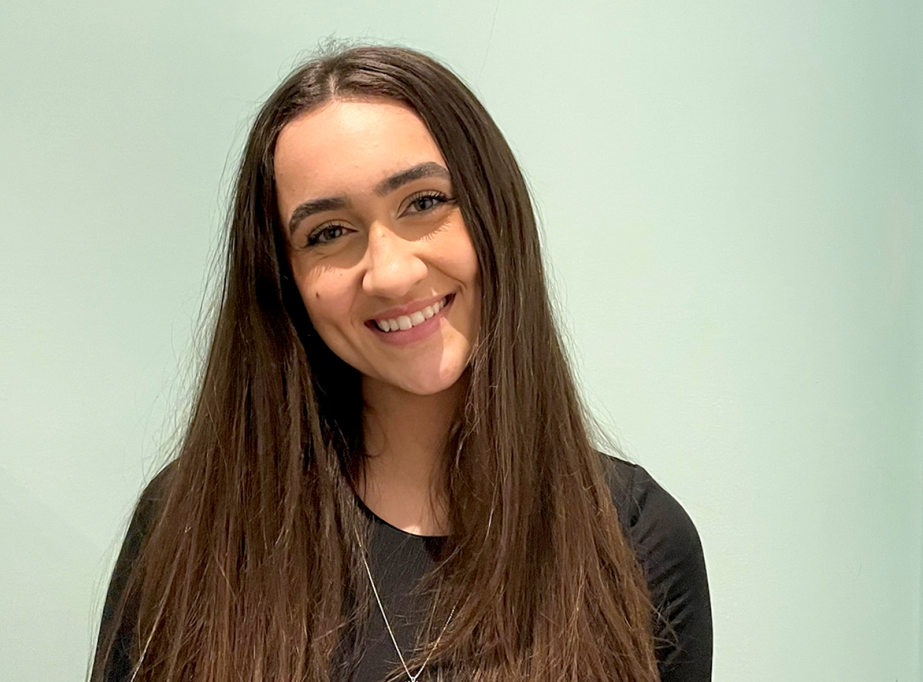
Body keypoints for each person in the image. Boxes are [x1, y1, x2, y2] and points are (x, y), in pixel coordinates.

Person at [90, 42, 712, 682]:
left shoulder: (636, 539)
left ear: (495, 211)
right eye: (328, 232)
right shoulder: (195, 527)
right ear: (285, 280)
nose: (389, 273)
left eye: (423, 202)